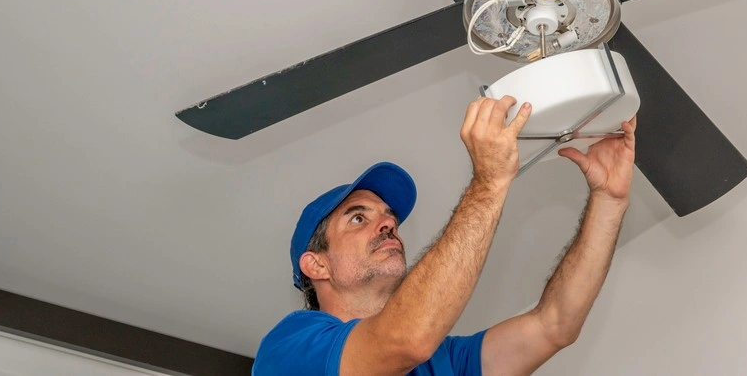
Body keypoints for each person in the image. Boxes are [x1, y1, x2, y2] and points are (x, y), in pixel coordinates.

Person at [252, 94, 636, 375]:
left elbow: (555, 325)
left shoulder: (444, 361)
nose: (387, 223)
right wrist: (489, 183)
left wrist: (609, 199)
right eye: (357, 218)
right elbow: (403, 342)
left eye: (389, 217)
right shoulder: (292, 346)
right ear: (316, 264)